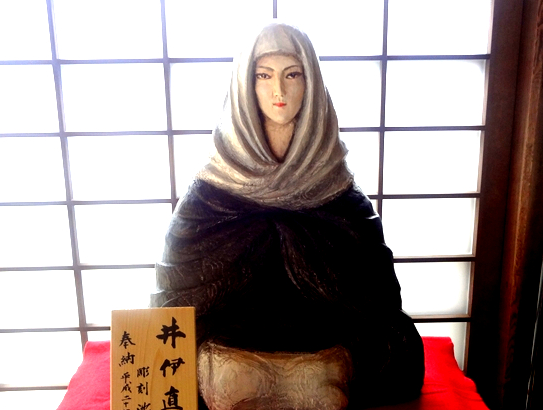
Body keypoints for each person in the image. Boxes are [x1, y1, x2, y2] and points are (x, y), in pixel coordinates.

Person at [152, 23, 424, 410]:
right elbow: (176, 297)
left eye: (292, 75)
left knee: (336, 383)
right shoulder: (210, 198)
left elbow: (376, 301)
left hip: (322, 350)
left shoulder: (337, 194)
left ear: (311, 81)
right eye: (264, 76)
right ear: (245, 85)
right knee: (229, 383)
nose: (278, 91)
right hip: (232, 349)